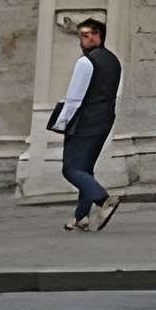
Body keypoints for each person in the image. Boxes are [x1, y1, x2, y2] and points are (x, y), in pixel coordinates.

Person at [51, 17, 124, 230]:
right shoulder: (113, 60)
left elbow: (75, 98)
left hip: (84, 121)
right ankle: (80, 217)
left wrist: (62, 123)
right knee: (85, 168)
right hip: (105, 119)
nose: (84, 40)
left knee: (71, 169)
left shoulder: (86, 62)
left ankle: (103, 200)